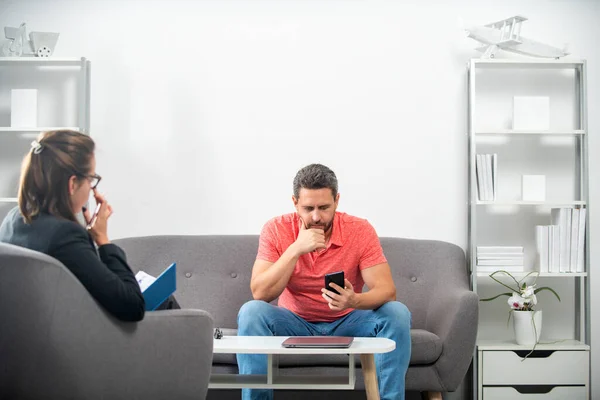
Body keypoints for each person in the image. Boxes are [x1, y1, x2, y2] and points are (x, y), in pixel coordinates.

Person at [237, 163, 411, 400]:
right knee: (251, 312)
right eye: (308, 208)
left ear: (337, 201)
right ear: (295, 202)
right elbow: (260, 293)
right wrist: (296, 248)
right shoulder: (276, 229)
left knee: (397, 312)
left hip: (347, 319)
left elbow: (387, 291)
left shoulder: (359, 230)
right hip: (294, 321)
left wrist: (355, 300)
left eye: (324, 207)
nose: (316, 216)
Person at [0, 129, 177, 321]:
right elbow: (132, 306)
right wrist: (103, 241)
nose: (92, 189)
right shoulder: (65, 235)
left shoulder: (12, 220)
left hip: (27, 339)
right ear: (73, 184)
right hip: (81, 342)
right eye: (91, 179)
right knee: (166, 302)